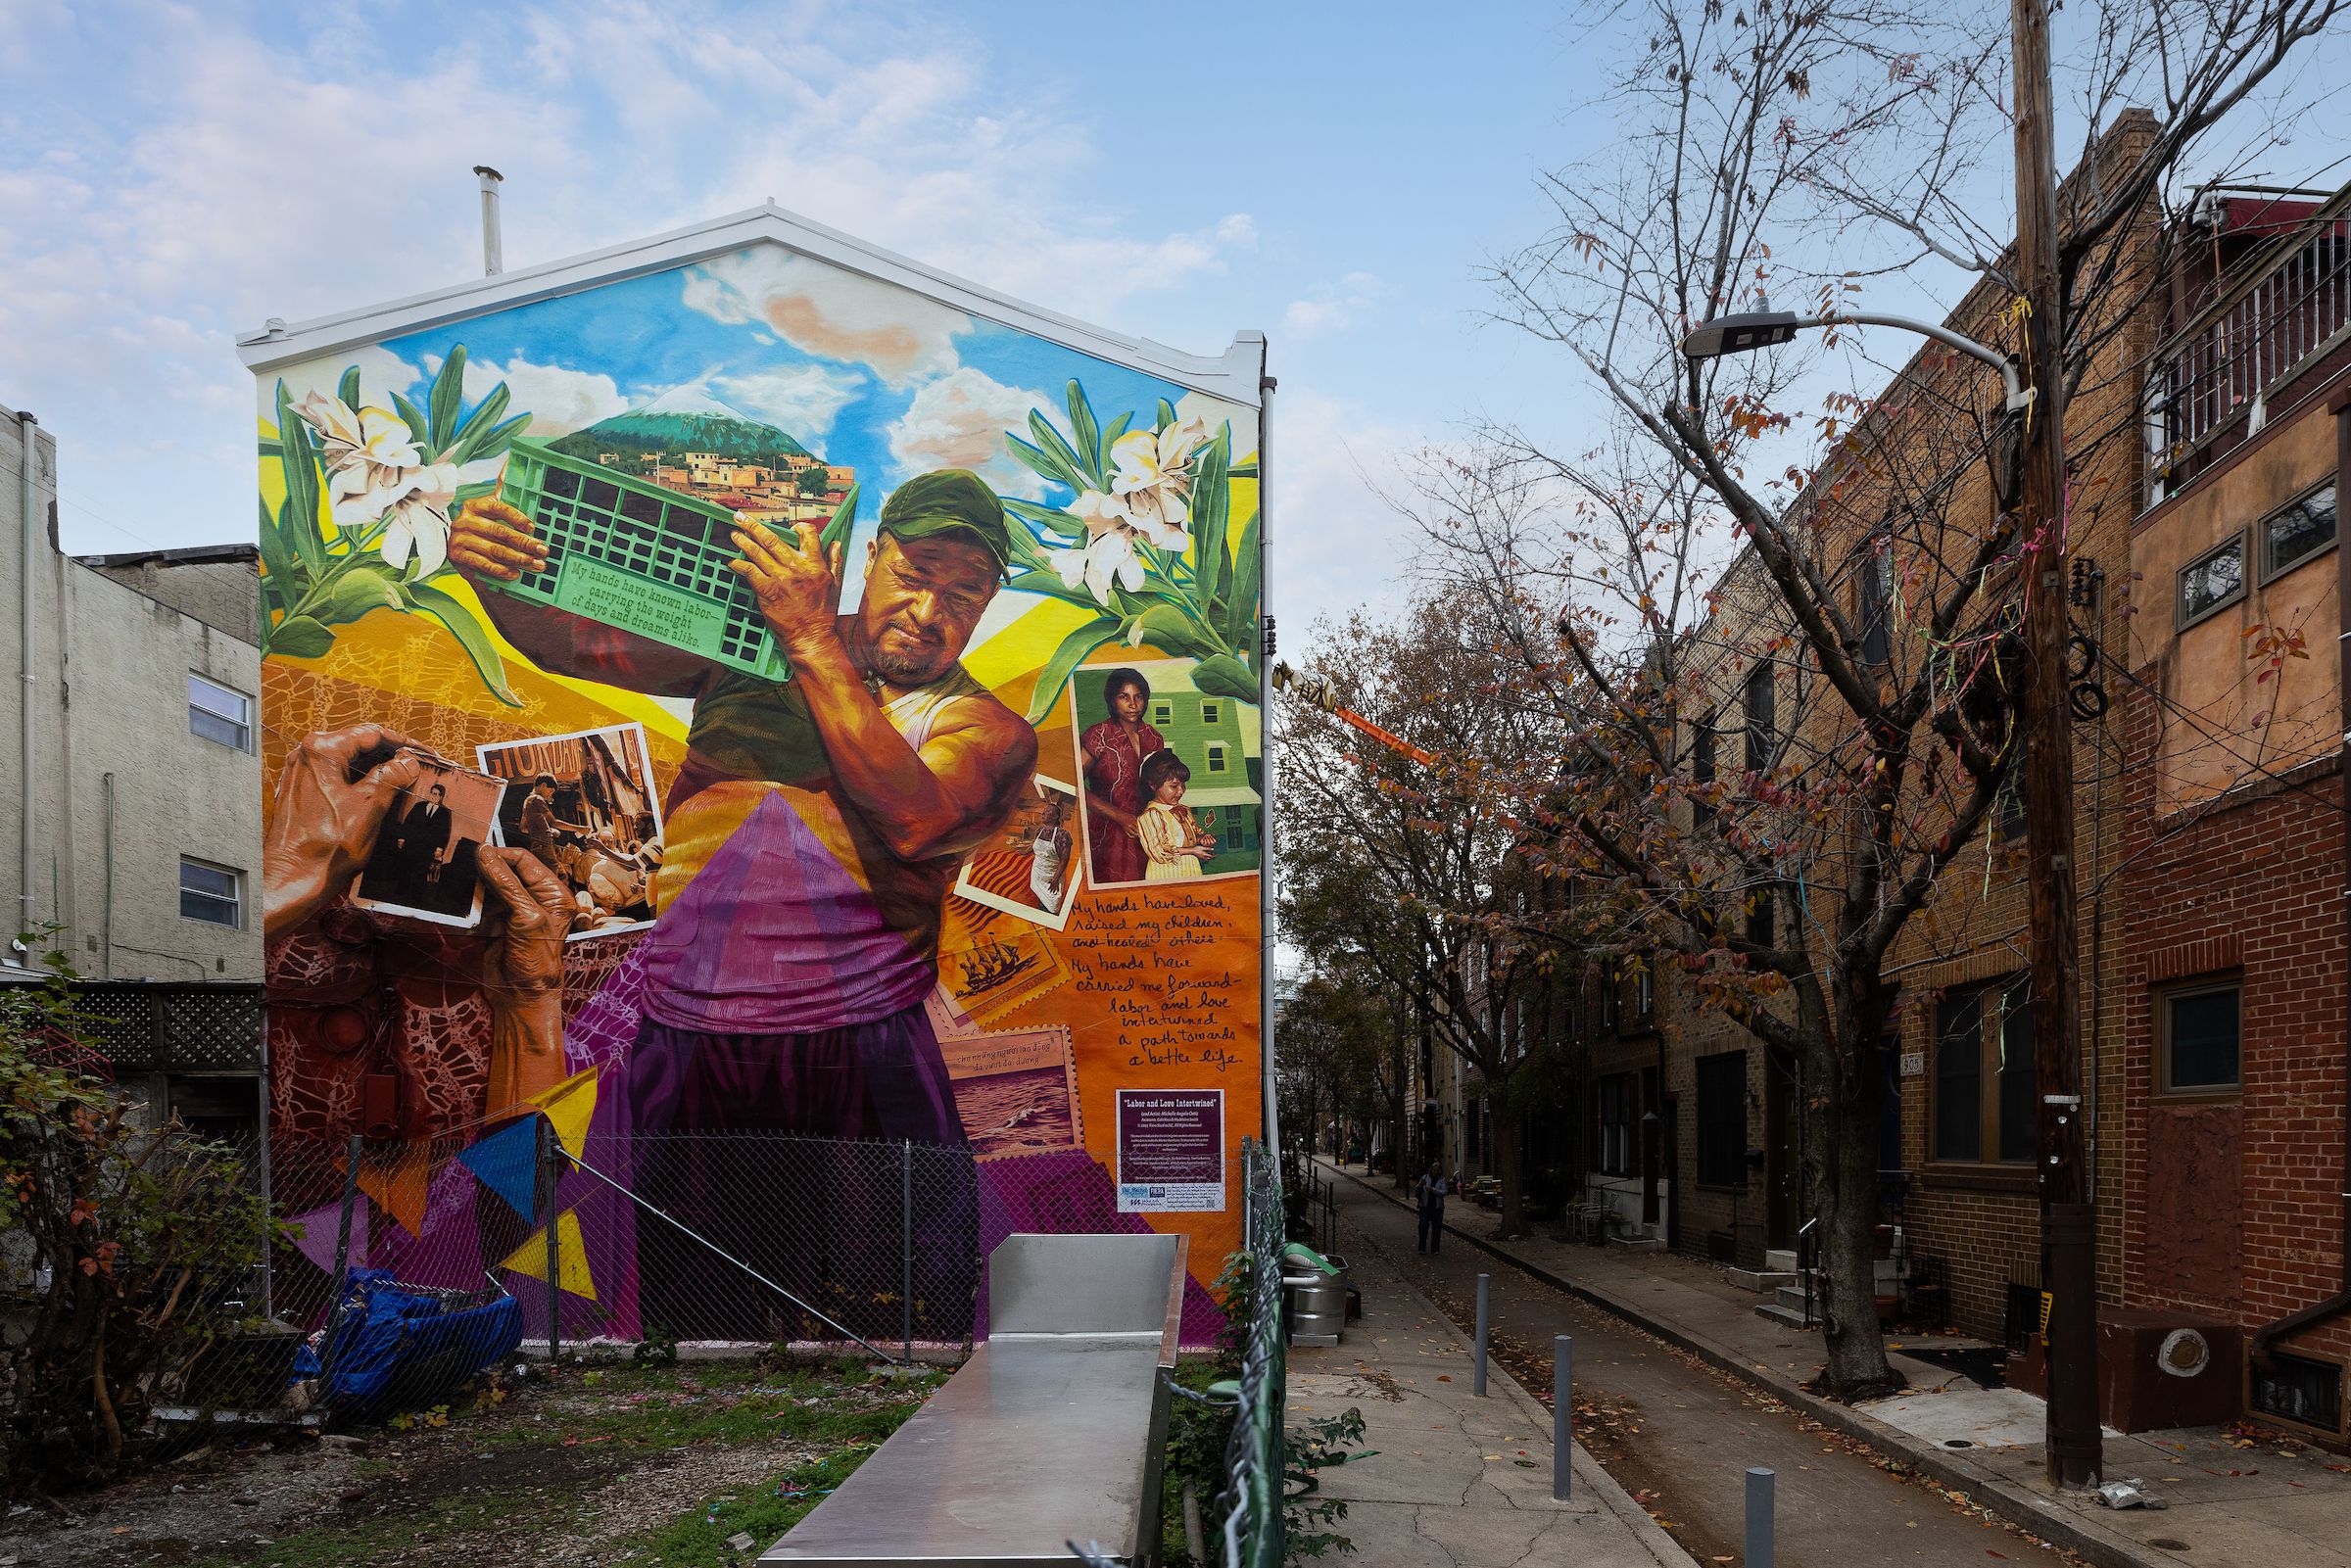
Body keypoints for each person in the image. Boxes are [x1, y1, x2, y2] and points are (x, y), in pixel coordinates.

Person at [449, 469, 1033, 1337]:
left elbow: (916, 818)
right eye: (917, 573)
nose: (930, 607)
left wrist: (808, 637)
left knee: (899, 1326)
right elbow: (579, 643)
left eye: (965, 591)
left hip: (860, 1046)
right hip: (688, 1038)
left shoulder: (986, 730)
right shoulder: (754, 638)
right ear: (869, 557)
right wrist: (497, 571)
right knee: (695, 1323)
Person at [1079, 668, 1165, 884]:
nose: (1133, 704)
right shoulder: (1098, 735)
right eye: (1124, 697)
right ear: (1112, 700)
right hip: (1108, 833)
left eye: (1139, 697)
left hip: (1147, 833)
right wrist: (1119, 816)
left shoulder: (1154, 738)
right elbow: (1072, 784)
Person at [1134, 751, 1215, 881]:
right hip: (1165, 871)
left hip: (1190, 867)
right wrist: (1192, 850)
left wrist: (1201, 838)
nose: (1181, 791)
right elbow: (1159, 852)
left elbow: (1190, 835)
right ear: (1153, 785)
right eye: (1174, 786)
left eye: (1183, 785)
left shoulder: (1183, 810)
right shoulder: (1151, 815)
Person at [1028, 790, 1075, 914]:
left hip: (1052, 877)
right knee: (1040, 904)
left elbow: (1064, 861)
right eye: (1044, 811)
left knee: (1051, 907)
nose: (1043, 813)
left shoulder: (1062, 835)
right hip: (1037, 874)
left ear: (1056, 816)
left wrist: (1055, 880)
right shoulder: (1040, 831)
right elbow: (1037, 850)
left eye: (1048, 812)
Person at [1415, 1163, 1448, 1255]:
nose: (1434, 1172)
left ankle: (1435, 1249)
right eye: (1433, 1170)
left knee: (1437, 1229)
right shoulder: (1425, 1177)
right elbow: (1417, 1188)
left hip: (1437, 1208)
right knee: (1423, 1227)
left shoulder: (1442, 1180)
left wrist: (1433, 1190)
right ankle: (1422, 1247)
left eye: (1437, 1170)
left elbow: (1444, 1192)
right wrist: (1420, 1185)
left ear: (1439, 1171)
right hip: (1425, 1206)